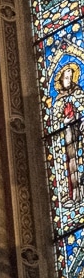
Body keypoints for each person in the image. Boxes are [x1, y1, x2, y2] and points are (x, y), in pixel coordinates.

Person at [55, 62, 84, 201]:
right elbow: (56, 119)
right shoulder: (59, 99)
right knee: (70, 165)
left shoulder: (78, 93)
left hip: (79, 136)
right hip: (66, 137)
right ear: (61, 80)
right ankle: (73, 194)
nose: (69, 80)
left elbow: (81, 110)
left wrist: (77, 117)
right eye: (66, 77)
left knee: (79, 163)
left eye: (71, 77)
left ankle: (81, 193)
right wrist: (65, 121)